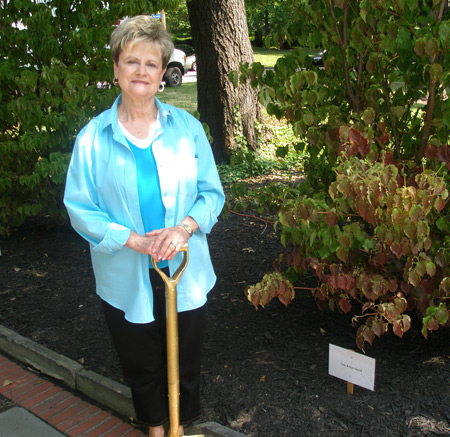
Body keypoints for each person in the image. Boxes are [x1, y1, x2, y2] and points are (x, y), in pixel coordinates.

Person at [63, 15, 225, 437]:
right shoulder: (93, 138)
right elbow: (80, 206)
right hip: (125, 269)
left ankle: (180, 427)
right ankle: (155, 428)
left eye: (151, 64)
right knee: (139, 359)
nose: (141, 72)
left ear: (163, 72)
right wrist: (130, 239)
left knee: (185, 360)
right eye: (131, 61)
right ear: (116, 69)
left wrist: (184, 229)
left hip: (183, 266)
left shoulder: (187, 129)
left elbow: (212, 193)